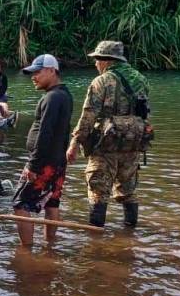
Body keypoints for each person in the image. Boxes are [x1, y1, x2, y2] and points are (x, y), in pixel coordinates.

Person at [66, 40, 151, 228]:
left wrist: (74, 143)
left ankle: (95, 241)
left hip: (106, 145)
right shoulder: (141, 79)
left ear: (107, 60)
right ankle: (130, 236)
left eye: (97, 59)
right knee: (128, 191)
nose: (96, 63)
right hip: (132, 143)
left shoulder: (101, 81)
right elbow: (145, 113)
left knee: (98, 191)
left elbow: (88, 115)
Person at [13, 54, 73, 247]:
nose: (33, 77)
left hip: (43, 163)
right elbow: (63, 132)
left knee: (20, 204)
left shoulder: (52, 98)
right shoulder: (65, 95)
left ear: (51, 71)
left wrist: (33, 165)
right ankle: (50, 247)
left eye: (37, 72)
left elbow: (45, 133)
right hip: (57, 162)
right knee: (51, 202)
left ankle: (26, 252)